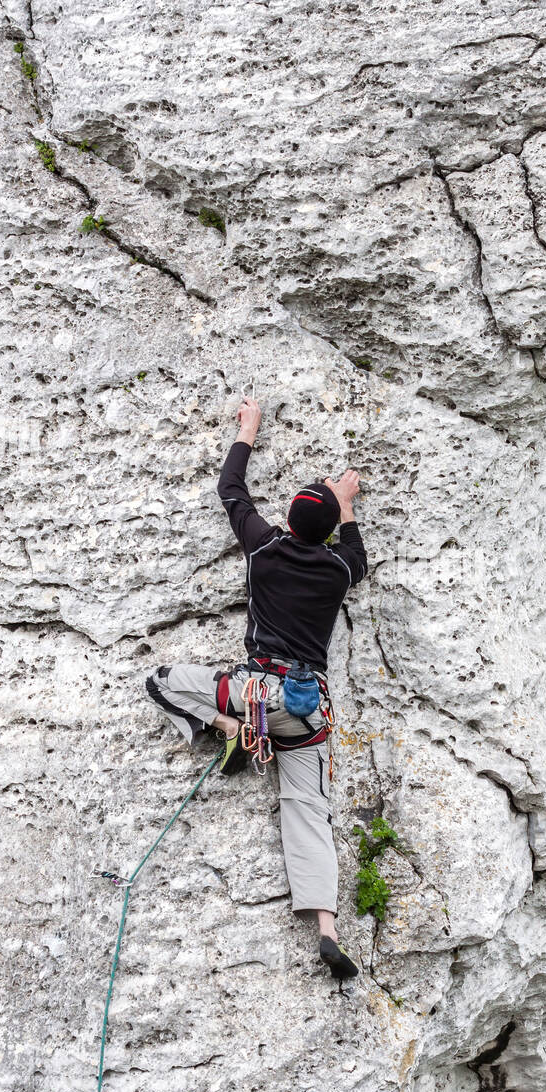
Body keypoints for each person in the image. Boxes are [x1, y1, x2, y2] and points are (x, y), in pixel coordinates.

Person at [146, 396, 367, 980]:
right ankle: (326, 928)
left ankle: (226, 731)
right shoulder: (339, 569)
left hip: (254, 697)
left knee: (164, 680)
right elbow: (356, 552)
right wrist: (345, 506)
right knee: (307, 813)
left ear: (289, 520)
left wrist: (249, 429)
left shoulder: (265, 548)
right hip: (308, 712)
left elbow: (231, 491)